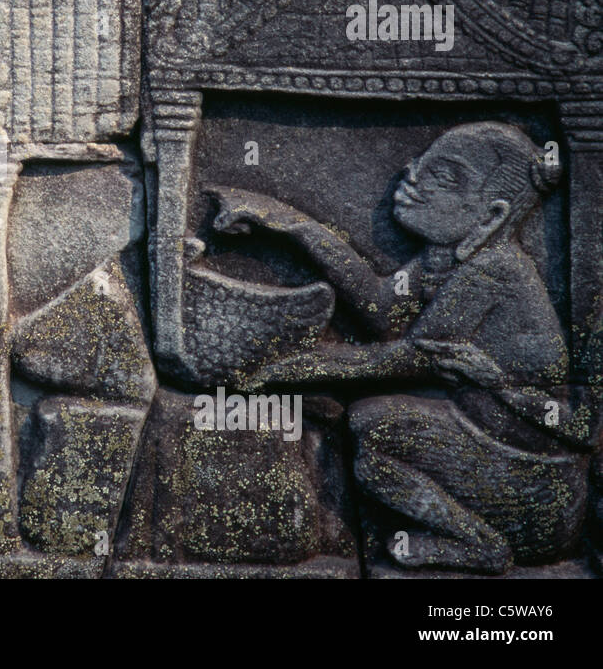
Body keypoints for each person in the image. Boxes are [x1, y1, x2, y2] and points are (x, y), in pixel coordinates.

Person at [211, 122, 595, 572]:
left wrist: (293, 369)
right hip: (495, 454)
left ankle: (481, 545)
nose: (412, 177)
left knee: (373, 424)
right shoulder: (448, 258)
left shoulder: (494, 270)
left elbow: (410, 356)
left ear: (491, 216)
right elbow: (381, 308)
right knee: (371, 445)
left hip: (535, 489)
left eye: (446, 177)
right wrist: (292, 224)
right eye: (421, 164)